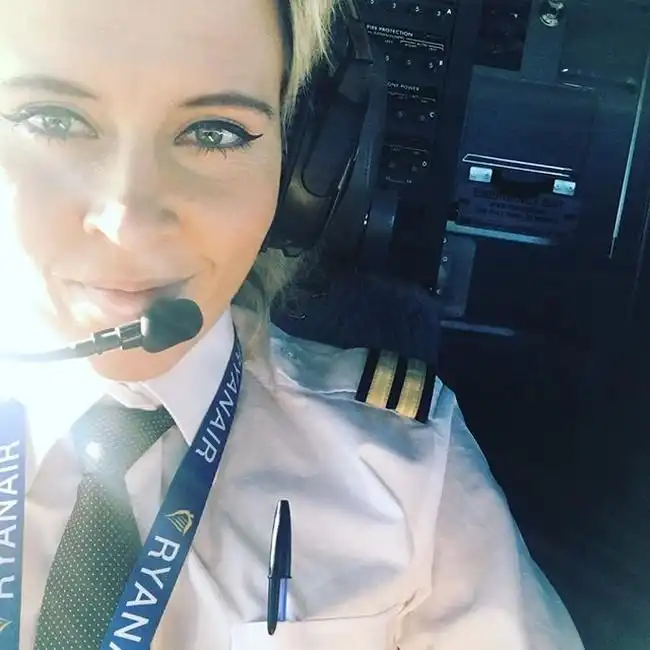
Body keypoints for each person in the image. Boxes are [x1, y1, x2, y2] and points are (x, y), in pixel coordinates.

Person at [0, 0, 585, 648]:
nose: (127, 224)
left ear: (306, 165)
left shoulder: (410, 471)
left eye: (215, 132)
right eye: (51, 120)